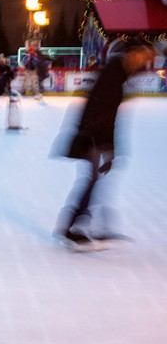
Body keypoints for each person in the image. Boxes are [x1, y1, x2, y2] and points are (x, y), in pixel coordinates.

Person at [51, 40, 155, 250]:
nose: (144, 62)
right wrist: (100, 144)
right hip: (92, 138)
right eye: (142, 56)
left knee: (95, 180)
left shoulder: (117, 74)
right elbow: (99, 112)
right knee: (91, 180)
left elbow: (108, 115)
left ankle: (86, 225)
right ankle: (71, 228)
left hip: (94, 137)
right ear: (130, 54)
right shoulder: (113, 76)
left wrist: (109, 146)